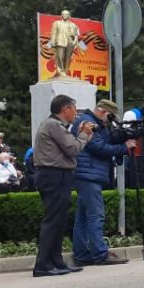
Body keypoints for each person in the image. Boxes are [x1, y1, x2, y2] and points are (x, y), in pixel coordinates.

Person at [32, 95, 92, 277]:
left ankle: (56, 262)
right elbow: (73, 149)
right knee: (53, 221)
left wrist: (80, 134)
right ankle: (42, 265)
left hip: (57, 175)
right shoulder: (53, 125)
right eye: (74, 108)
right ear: (65, 108)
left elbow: (68, 145)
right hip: (54, 175)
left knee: (59, 221)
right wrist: (84, 134)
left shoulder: (55, 126)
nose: (75, 113)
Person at [71, 100, 135, 266]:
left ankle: (82, 254)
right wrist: (125, 147)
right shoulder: (87, 122)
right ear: (103, 112)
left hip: (87, 174)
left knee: (84, 217)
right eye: (109, 116)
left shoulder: (94, 123)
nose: (109, 121)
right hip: (88, 175)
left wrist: (120, 134)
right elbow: (99, 147)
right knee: (95, 215)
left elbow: (106, 141)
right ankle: (100, 253)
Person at [48, 10, 81, 76]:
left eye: (66, 14)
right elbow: (53, 33)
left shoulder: (73, 25)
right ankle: (60, 70)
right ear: (61, 15)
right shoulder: (57, 23)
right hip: (60, 41)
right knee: (60, 56)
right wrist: (52, 41)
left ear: (69, 16)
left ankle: (65, 71)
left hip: (70, 42)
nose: (65, 16)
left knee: (68, 57)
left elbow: (76, 35)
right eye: (63, 14)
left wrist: (75, 41)